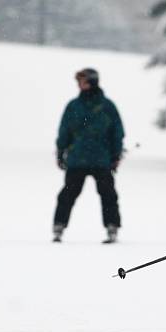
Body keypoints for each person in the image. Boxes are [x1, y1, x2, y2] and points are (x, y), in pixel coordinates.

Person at [52, 68, 125, 244]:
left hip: (101, 159)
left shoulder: (107, 106)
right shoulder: (73, 106)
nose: (79, 84)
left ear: (91, 82)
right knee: (67, 195)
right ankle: (59, 227)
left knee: (108, 195)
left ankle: (112, 227)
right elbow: (64, 132)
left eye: (82, 81)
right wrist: (61, 151)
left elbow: (117, 132)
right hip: (77, 159)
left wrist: (115, 155)